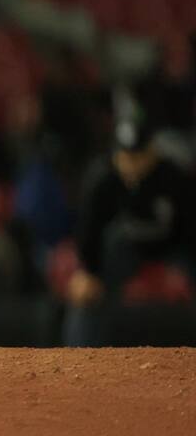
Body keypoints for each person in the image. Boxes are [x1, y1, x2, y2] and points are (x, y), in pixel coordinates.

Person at [64, 115, 196, 345]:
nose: (132, 165)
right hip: (127, 249)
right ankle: (78, 356)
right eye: (126, 157)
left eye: (138, 156)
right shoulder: (103, 178)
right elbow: (90, 230)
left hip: (173, 248)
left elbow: (191, 229)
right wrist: (88, 270)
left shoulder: (174, 177)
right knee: (86, 293)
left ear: (152, 151)